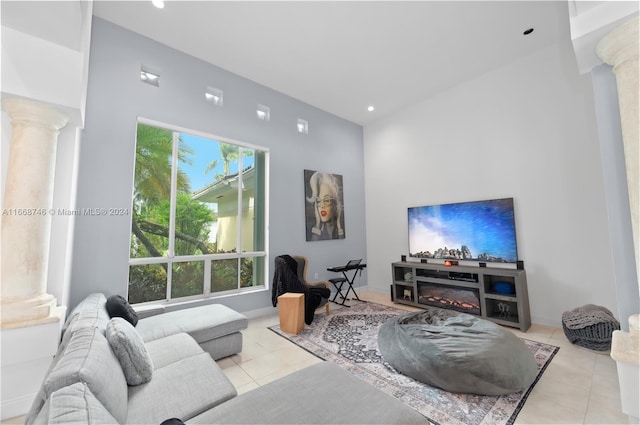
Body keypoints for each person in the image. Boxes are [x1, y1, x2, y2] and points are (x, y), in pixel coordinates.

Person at [305, 171, 345, 240]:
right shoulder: (309, 227)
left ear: (335, 204)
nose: (322, 206)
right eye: (318, 201)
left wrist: (339, 226)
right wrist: (317, 225)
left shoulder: (342, 226)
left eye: (326, 200)